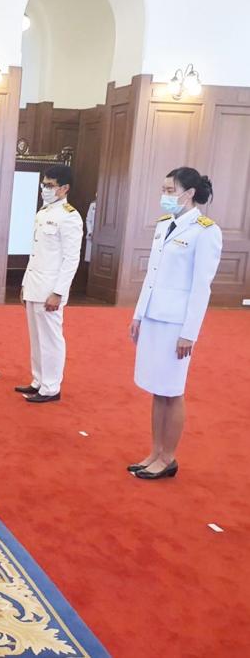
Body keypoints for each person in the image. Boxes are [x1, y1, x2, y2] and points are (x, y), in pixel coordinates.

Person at [128, 167, 222, 480]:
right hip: (154, 317)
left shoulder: (205, 231)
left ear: (190, 193)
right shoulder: (164, 224)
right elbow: (152, 275)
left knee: (172, 390)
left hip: (176, 324)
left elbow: (201, 287)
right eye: (164, 190)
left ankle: (168, 457)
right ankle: (155, 451)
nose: (165, 195)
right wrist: (138, 314)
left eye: (171, 190)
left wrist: (189, 333)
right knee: (157, 389)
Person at [16, 165, 84, 403]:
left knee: (51, 339)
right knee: (37, 338)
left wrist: (58, 292)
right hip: (35, 284)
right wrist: (25, 283)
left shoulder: (70, 217)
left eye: (50, 185)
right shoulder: (43, 212)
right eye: (44, 184)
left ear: (64, 188)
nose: (45, 189)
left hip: (50, 289)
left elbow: (71, 259)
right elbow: (36, 253)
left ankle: (51, 387)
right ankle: (38, 380)